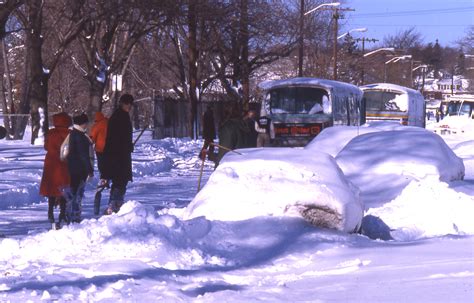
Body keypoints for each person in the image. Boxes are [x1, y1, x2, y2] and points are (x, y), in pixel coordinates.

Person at [102, 94, 134, 214]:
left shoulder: (121, 116)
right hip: (118, 155)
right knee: (120, 180)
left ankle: (115, 204)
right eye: (127, 103)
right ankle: (114, 205)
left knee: (120, 180)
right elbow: (116, 138)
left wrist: (128, 145)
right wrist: (126, 145)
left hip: (119, 154)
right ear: (122, 103)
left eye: (130, 104)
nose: (129, 106)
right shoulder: (119, 117)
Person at [39, 112, 72, 225]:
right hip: (64, 162)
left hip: (51, 162)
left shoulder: (51, 133)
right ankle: (62, 213)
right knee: (63, 188)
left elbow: (46, 146)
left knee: (51, 188)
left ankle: (50, 212)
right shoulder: (69, 133)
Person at [66, 113, 94, 223]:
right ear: (81, 123)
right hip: (79, 169)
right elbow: (84, 155)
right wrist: (89, 170)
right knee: (78, 193)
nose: (87, 125)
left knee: (72, 191)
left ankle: (69, 214)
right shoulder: (80, 136)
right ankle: (75, 216)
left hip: (72, 167)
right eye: (85, 123)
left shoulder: (73, 133)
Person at [90, 111, 109, 188]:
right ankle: (108, 178)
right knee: (108, 164)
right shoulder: (109, 122)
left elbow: (92, 137)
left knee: (101, 164)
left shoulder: (97, 125)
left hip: (100, 148)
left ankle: (103, 179)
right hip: (110, 148)